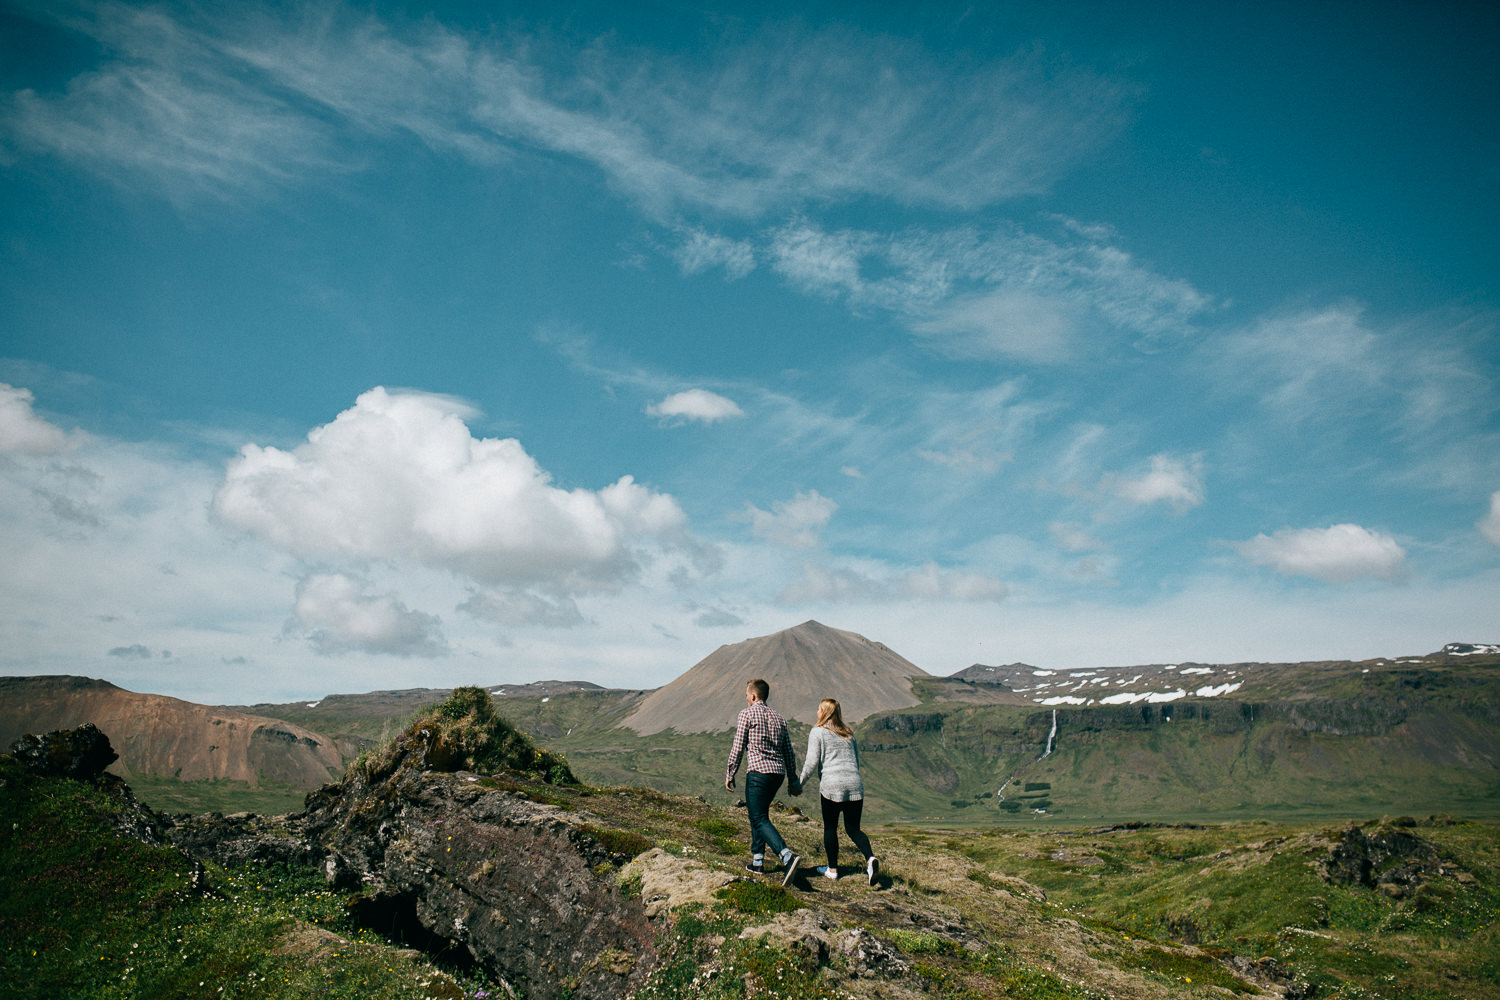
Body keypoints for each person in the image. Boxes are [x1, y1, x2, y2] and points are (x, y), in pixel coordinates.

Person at [725, 678, 802, 886]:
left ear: (752, 696)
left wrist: (730, 772)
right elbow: (788, 750)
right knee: (758, 814)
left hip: (758, 772)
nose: (747, 700)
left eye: (746, 696)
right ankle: (757, 861)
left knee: (758, 817)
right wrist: (792, 777)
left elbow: (738, 745)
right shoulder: (779, 717)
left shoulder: (747, 714)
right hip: (777, 774)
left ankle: (787, 856)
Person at [798, 698, 878, 885]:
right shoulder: (849, 734)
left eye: (818, 709)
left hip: (832, 786)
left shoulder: (818, 732)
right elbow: (856, 763)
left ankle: (832, 869)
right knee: (853, 828)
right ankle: (870, 859)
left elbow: (811, 763)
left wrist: (799, 784)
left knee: (830, 827)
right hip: (854, 785)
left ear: (825, 713)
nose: (816, 712)